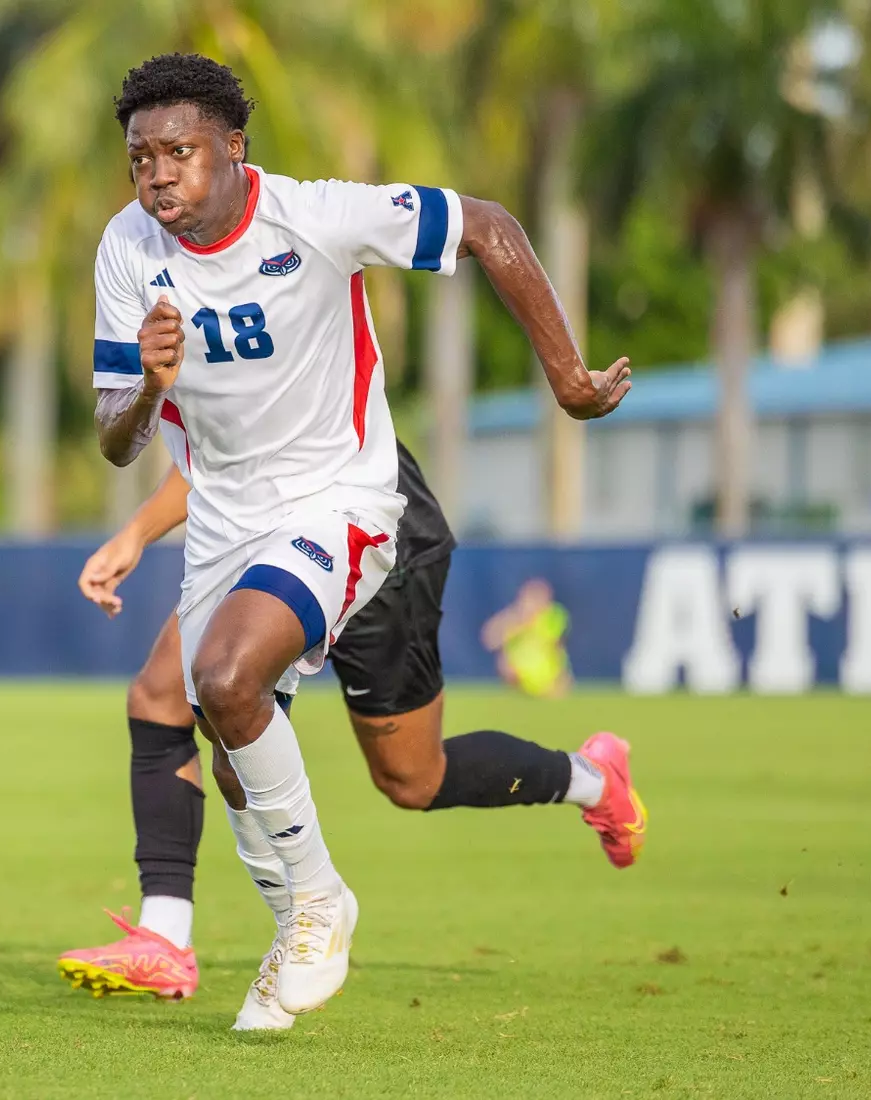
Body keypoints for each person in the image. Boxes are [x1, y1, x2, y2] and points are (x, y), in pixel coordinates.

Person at [86, 54, 633, 1020]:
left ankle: (307, 907)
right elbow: (116, 434)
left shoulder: (314, 216)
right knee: (278, 742)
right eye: (141, 158)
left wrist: (570, 378)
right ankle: (315, 904)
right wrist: (150, 384)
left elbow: (489, 225)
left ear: (233, 149)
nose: (159, 174)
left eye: (179, 152)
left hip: (348, 502)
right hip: (225, 520)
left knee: (222, 682)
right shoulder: (127, 248)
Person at [58, 454, 647, 1029]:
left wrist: (568, 375)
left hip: (368, 532)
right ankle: (177, 934)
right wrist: (135, 533)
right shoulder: (176, 360)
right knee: (180, 698)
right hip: (260, 540)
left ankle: (592, 778)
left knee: (412, 777)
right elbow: (212, 440)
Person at [482, 578, 574, 698]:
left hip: (546, 672)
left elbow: (556, 643)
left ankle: (548, 686)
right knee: (504, 661)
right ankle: (523, 688)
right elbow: (489, 640)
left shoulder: (554, 616)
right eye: (530, 598)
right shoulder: (513, 618)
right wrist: (511, 623)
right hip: (520, 673)